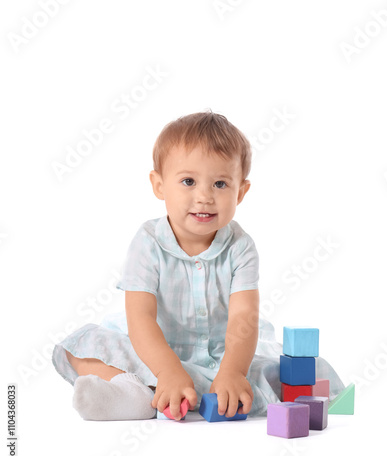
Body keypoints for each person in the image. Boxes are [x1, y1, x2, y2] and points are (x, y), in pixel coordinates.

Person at [52, 111, 344, 421]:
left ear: (241, 192)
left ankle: (159, 392)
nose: (204, 196)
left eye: (220, 183)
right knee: (84, 345)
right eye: (188, 181)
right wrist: (168, 370)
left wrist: (232, 372)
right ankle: (135, 393)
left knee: (277, 372)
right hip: (153, 348)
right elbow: (140, 318)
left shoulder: (240, 247)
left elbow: (244, 317)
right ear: (159, 185)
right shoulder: (148, 242)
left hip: (223, 355)